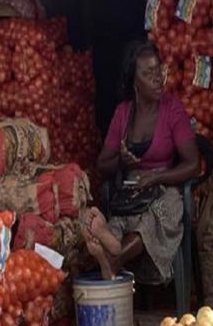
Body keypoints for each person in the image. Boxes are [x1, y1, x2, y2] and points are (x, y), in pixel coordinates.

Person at [83, 41, 200, 283]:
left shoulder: (172, 110)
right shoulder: (123, 113)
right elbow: (103, 165)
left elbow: (193, 164)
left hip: (164, 187)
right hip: (131, 189)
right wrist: (122, 162)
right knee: (120, 221)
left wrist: (157, 177)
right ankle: (110, 246)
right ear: (134, 82)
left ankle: (113, 260)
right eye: (148, 73)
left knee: (154, 216)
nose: (157, 78)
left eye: (158, 70)